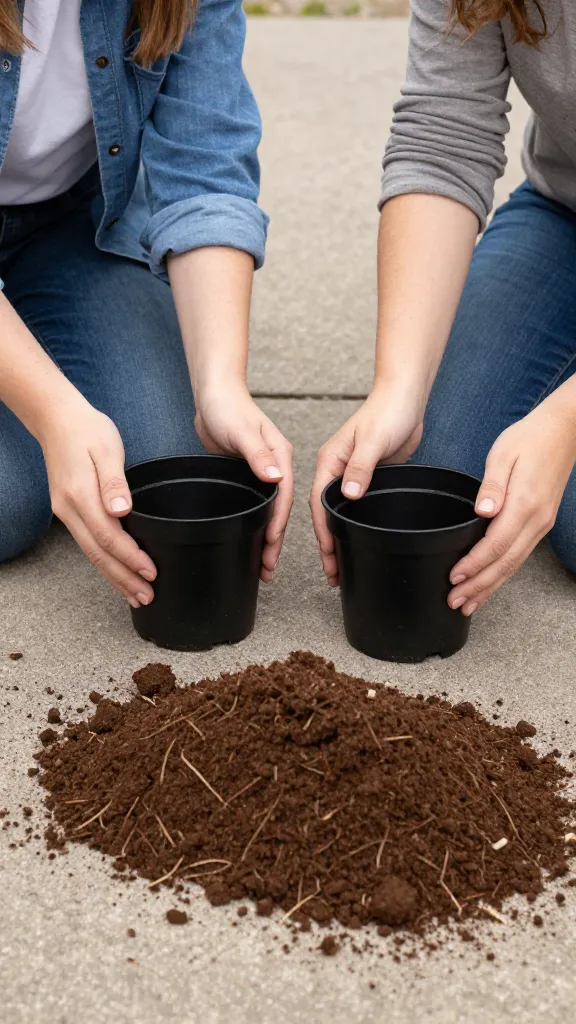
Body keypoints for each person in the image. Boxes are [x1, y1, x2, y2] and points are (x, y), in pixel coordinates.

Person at [0, 0, 293, 607]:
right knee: (9, 501)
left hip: (76, 222)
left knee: (161, 471)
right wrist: (54, 414)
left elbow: (205, 166)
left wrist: (221, 385)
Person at [311, 0, 576, 617]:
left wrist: (565, 422)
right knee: (440, 473)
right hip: (564, 214)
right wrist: (398, 387)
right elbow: (443, 138)